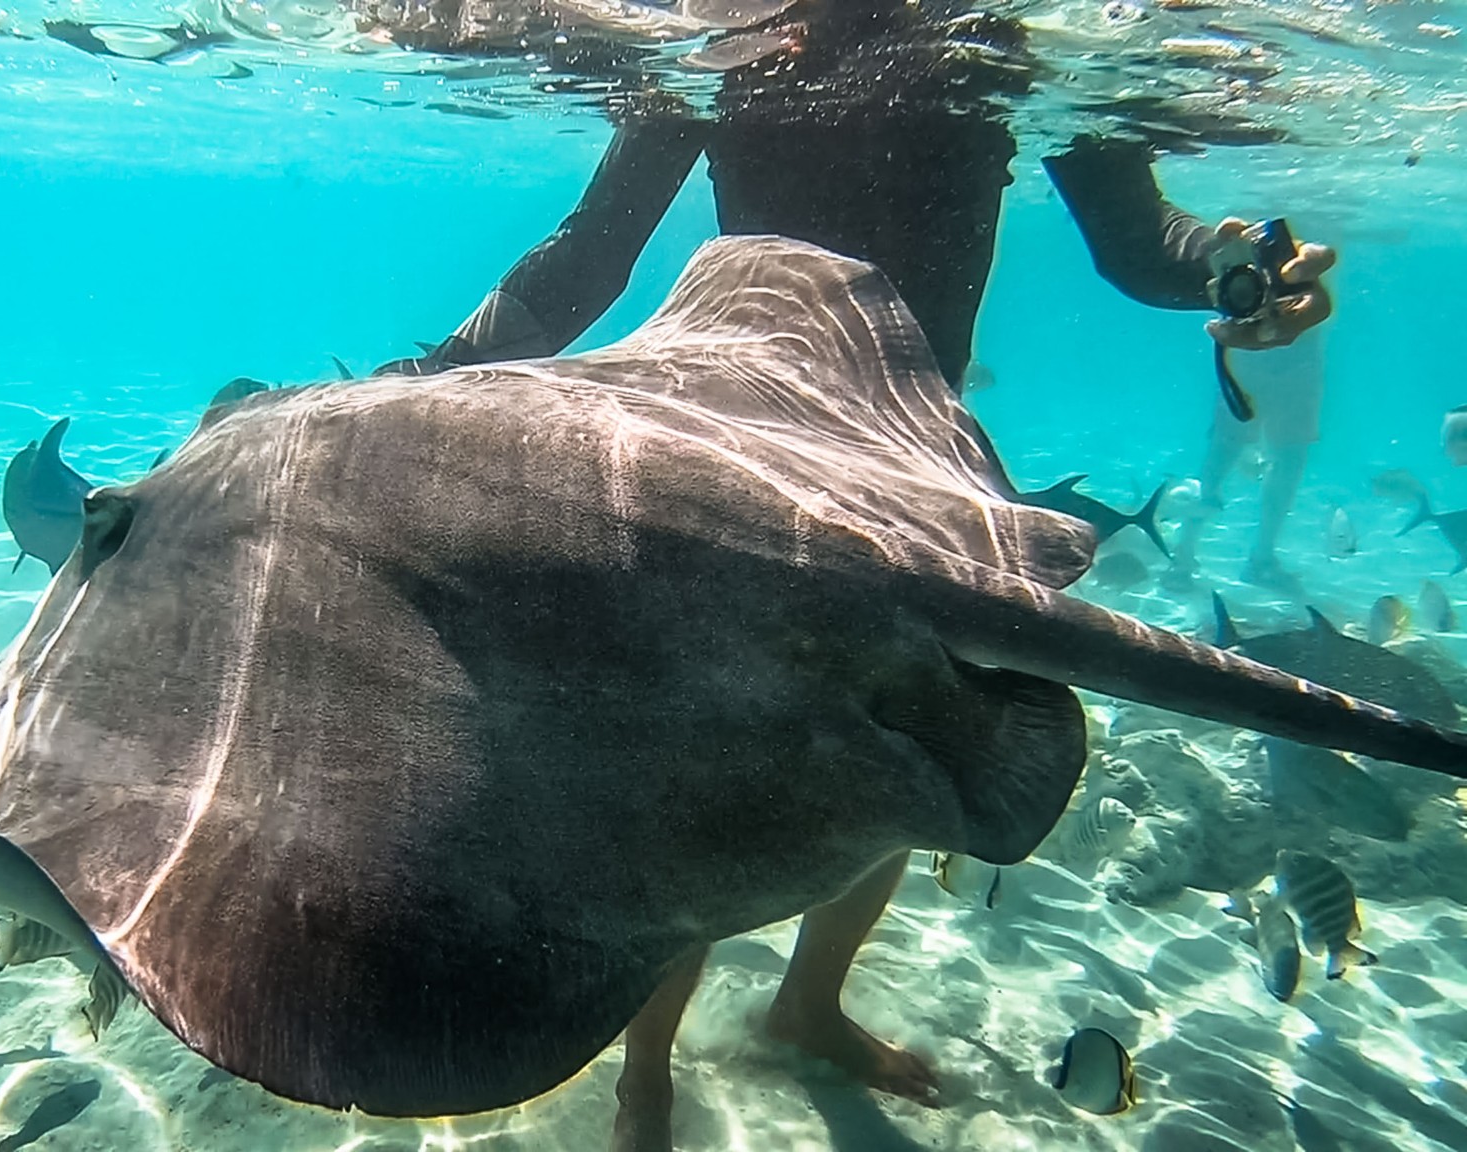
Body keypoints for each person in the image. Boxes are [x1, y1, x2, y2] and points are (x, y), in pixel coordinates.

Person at [375, 3, 1337, 1148]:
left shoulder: (1013, 27)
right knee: (707, 766)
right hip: (745, 444)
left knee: (906, 735)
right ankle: (646, 1072)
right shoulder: (721, 27)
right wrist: (433, 375)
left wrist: (1230, 268)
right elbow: (596, 244)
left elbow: (1139, 240)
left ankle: (807, 1005)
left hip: (917, 449)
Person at [1164, 333, 1327, 593]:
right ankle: (1195, 556)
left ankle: (1189, 557)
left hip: (1277, 343)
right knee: (1243, 447)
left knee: (1275, 451)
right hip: (1271, 340)